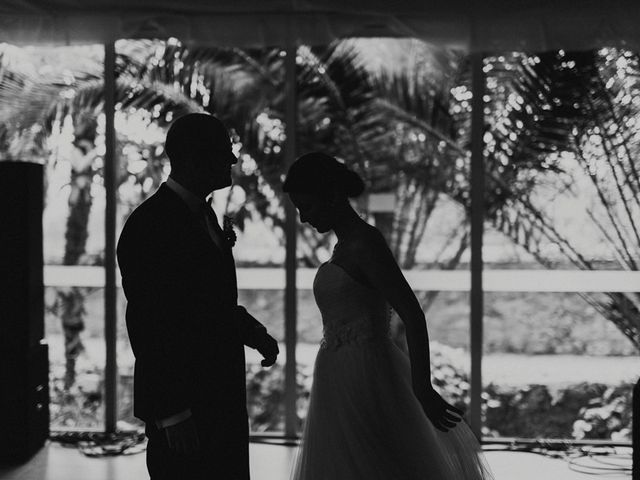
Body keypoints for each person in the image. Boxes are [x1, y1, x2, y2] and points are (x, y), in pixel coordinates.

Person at [284, 152, 494, 480]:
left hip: (367, 374)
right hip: (338, 376)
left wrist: (422, 388)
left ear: (332, 196)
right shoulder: (345, 246)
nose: (302, 218)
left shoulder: (366, 244)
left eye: (306, 207)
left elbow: (412, 313)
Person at [117, 113, 279, 480]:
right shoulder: (150, 225)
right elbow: (149, 323)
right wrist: (172, 411)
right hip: (186, 403)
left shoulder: (203, 213)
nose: (233, 161)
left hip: (222, 397)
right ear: (194, 157)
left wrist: (253, 333)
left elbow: (204, 305)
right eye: (225, 152)